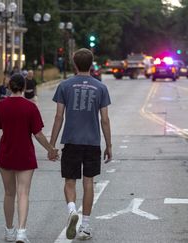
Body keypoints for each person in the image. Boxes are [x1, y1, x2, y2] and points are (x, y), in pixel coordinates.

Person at [50, 48, 112, 240]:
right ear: (91, 64)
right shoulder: (100, 87)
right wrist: (109, 145)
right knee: (88, 183)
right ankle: (85, 226)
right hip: (92, 142)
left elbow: (59, 116)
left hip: (71, 140)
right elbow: (105, 119)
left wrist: (52, 144)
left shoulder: (65, 86)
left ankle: (71, 211)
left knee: (70, 181)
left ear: (74, 64)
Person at [0, 73, 58, 243]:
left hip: (6, 153)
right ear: (24, 87)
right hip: (25, 154)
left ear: (9, 87)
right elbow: (38, 134)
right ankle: (21, 232)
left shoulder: (0, 105)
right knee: (23, 193)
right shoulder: (30, 107)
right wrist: (50, 149)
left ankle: (9, 230)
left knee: (9, 193)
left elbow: (1, 126)